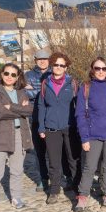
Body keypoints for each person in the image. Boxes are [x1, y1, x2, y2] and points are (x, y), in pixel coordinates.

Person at [74, 57, 106, 212]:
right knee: (89, 167)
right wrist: (84, 138)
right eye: (98, 69)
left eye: (104, 69)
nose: (101, 72)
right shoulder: (86, 87)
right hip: (93, 135)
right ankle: (83, 196)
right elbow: (80, 115)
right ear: (92, 70)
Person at [0, 63, 33, 212]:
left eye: (13, 74)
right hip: (0, 136)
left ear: (18, 77)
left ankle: (16, 198)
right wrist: (20, 110)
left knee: (17, 170)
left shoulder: (21, 91)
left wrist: (11, 107)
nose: (9, 77)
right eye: (6, 73)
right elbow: (0, 113)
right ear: (1, 74)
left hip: (20, 135)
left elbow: (30, 110)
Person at [37, 52, 81, 204]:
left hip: (70, 127)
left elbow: (79, 105)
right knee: (54, 161)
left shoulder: (72, 83)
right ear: (52, 65)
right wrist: (41, 127)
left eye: (62, 65)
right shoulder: (45, 83)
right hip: (51, 128)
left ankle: (76, 188)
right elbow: (41, 106)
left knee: (72, 159)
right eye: (56, 64)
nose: (58, 67)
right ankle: (54, 190)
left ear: (66, 67)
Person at [24, 49, 51, 192]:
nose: (42, 61)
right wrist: (44, 92)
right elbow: (24, 92)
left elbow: (55, 93)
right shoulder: (28, 75)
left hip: (52, 117)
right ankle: (43, 178)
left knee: (53, 151)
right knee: (39, 150)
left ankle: (56, 177)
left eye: (45, 59)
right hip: (34, 117)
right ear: (35, 60)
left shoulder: (54, 73)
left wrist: (35, 91)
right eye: (40, 59)